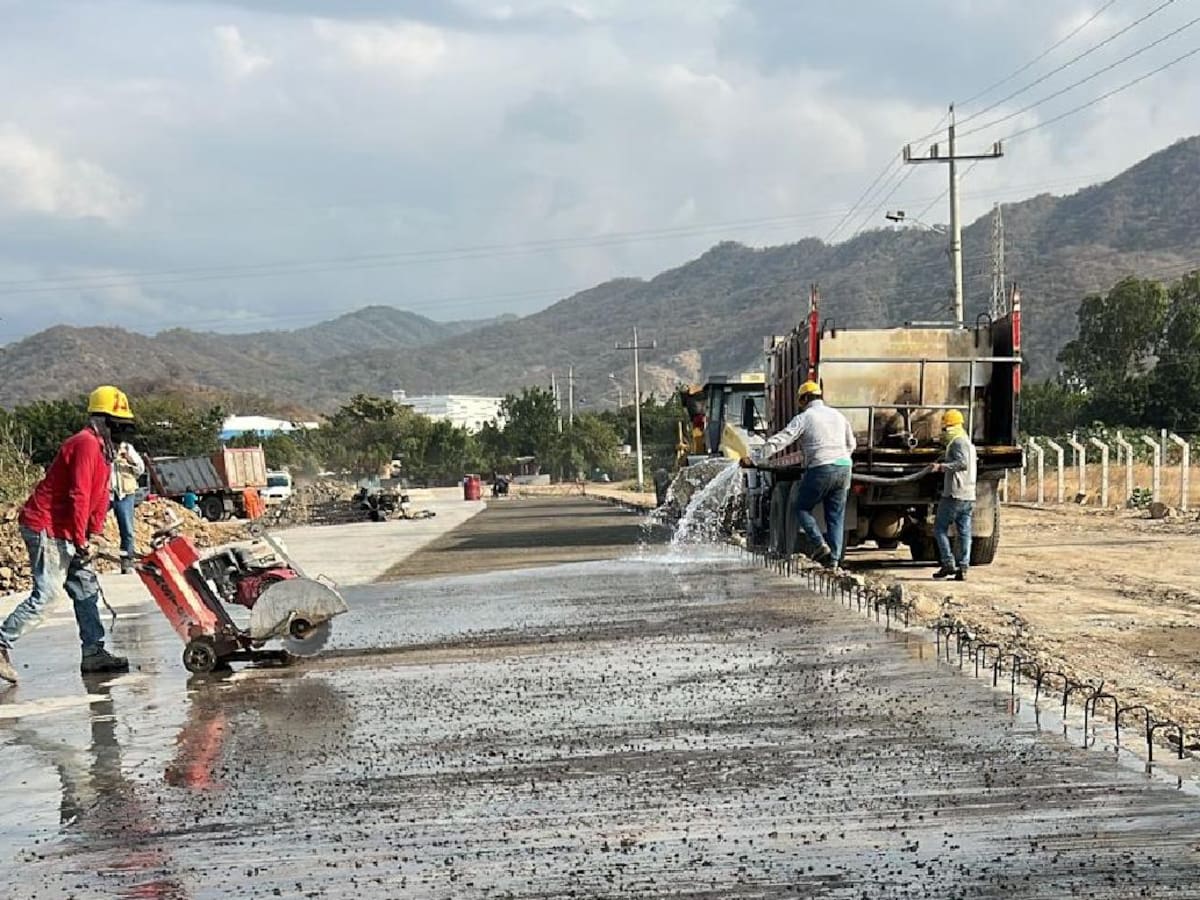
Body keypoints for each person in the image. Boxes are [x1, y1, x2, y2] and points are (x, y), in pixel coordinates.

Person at [0, 386, 135, 683]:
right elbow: (78, 494)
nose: (122, 430)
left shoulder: (106, 452)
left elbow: (100, 496)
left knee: (86, 590)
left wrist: (95, 533)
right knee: (48, 595)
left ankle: (94, 652)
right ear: (101, 420)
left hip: (68, 529)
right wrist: (79, 538)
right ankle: (1, 641)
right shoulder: (86, 444)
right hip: (47, 525)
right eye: (117, 423)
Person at [741, 380, 856, 567]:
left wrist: (756, 458)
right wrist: (840, 458)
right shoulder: (838, 416)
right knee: (835, 517)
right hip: (844, 467)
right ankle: (834, 561)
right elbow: (852, 444)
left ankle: (820, 544)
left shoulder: (805, 417)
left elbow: (783, 439)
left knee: (801, 508)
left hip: (821, 468)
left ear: (804, 399)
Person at [931, 409, 977, 581]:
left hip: (955, 493)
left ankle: (947, 563)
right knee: (964, 531)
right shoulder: (968, 443)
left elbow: (962, 463)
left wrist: (941, 467)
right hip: (968, 494)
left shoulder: (958, 443)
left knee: (939, 529)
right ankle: (963, 566)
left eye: (945, 428)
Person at [110, 437, 144, 574]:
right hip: (106, 492)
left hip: (126, 493)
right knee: (92, 526)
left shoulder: (127, 448)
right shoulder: (101, 446)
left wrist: (129, 458)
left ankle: (127, 562)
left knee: (127, 530)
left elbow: (140, 469)